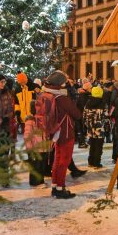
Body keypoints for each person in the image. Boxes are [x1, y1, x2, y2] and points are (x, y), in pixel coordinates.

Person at [42, 71, 82, 199]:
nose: (67, 84)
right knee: (63, 161)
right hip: (65, 131)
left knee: (57, 159)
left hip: (56, 132)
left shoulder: (47, 94)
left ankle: (55, 186)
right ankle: (60, 188)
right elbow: (77, 114)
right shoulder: (61, 98)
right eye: (65, 82)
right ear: (60, 83)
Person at [23, 101, 50, 187]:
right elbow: (27, 136)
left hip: (44, 147)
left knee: (42, 165)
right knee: (36, 166)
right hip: (35, 148)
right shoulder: (30, 121)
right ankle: (35, 182)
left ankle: (40, 181)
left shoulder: (43, 119)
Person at [84, 86, 107, 168]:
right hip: (99, 128)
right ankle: (97, 162)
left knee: (92, 144)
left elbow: (84, 115)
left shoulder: (88, 102)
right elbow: (106, 115)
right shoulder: (103, 103)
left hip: (90, 127)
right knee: (99, 145)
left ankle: (90, 161)